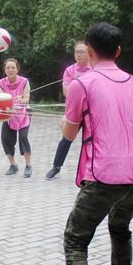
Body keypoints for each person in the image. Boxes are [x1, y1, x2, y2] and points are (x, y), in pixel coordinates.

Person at [49, 23, 133, 265]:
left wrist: (65, 122)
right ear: (118, 51)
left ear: (90, 51)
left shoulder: (82, 84)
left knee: (75, 237)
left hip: (105, 173)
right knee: (120, 228)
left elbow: (69, 132)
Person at [46, 41, 91, 180]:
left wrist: (78, 85)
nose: (78, 55)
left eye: (82, 52)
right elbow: (66, 92)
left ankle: (89, 170)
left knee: (91, 141)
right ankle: (56, 167)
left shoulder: (95, 69)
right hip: (74, 111)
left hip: (91, 112)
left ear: (89, 53)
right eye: (76, 52)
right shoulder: (70, 70)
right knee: (66, 139)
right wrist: (76, 84)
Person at [0, 58, 32, 177]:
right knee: (5, 139)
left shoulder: (24, 81)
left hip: (23, 114)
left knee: (23, 137)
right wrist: (9, 104)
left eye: (13, 67)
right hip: (8, 115)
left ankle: (28, 166)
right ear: (4, 70)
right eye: (8, 68)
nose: (10, 70)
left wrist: (21, 100)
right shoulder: (1, 83)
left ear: (17, 69)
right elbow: (1, 100)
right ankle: (13, 165)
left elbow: (26, 99)